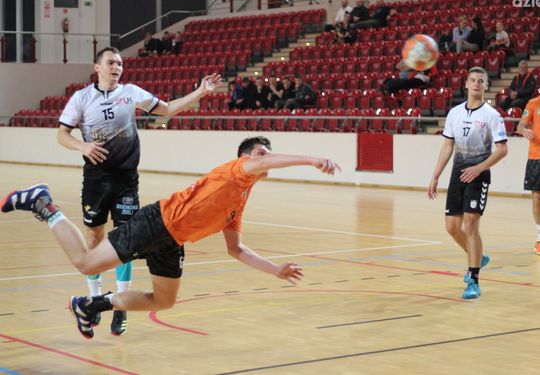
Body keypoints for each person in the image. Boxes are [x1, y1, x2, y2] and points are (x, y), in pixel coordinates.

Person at [0, 136, 340, 339]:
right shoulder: (237, 169)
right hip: (155, 222)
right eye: (261, 153)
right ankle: (42, 203)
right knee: (86, 263)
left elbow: (236, 249)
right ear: (247, 157)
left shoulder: (240, 199)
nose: (266, 158)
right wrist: (312, 160)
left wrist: (275, 270)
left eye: (268, 153)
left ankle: (92, 305)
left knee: (164, 300)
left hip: (171, 241)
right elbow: (270, 160)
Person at [57, 46, 221, 336]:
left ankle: (120, 305)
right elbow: (62, 134)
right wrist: (83, 146)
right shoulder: (81, 98)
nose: (116, 67)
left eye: (120, 63)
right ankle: (94, 300)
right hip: (96, 179)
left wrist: (200, 92)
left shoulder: (131, 92)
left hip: (126, 180)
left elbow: (168, 109)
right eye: (111, 62)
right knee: (94, 238)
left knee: (126, 242)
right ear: (97, 67)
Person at [427, 67, 508, 300]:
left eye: (480, 81)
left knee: (471, 224)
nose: (476, 84)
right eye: (472, 80)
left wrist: (479, 168)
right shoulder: (454, 113)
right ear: (466, 84)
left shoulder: (492, 115)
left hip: (478, 176)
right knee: (452, 227)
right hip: (458, 175)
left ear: (485, 85)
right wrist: (435, 175)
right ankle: (478, 256)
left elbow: (502, 150)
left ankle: (473, 280)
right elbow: (447, 146)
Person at [517, 97, 540, 255]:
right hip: (535, 157)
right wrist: (524, 131)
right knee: (536, 197)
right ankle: (539, 236)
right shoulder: (533, 103)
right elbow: (520, 126)